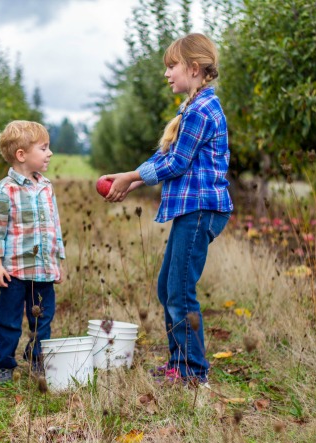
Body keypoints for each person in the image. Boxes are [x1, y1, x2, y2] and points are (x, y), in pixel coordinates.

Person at [100, 33, 233, 384]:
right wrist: (130, 178)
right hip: (191, 210)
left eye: (172, 66)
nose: (167, 73)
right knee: (167, 287)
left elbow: (176, 163)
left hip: (201, 209)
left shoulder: (203, 111)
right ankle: (179, 363)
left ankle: (192, 372)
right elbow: (165, 156)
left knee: (179, 290)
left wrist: (131, 177)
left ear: (194, 67)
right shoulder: (190, 108)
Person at [0, 120, 66, 385]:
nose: (49, 153)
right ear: (22, 155)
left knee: (42, 320)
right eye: (43, 148)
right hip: (15, 271)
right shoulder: (4, 191)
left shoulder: (46, 187)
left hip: (43, 270)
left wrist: (58, 260)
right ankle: (4, 364)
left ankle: (37, 358)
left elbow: (55, 226)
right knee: (8, 320)